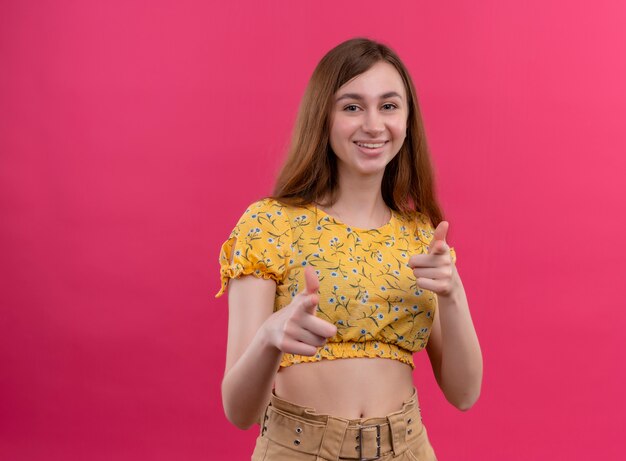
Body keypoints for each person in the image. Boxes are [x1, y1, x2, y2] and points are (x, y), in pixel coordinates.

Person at [216, 37, 482, 461]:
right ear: (324, 117)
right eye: (352, 106)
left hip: (408, 448)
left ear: (408, 121)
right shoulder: (269, 224)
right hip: (297, 450)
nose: (373, 124)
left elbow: (465, 394)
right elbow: (239, 410)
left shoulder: (420, 236)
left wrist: (454, 294)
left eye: (389, 106)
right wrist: (269, 337)